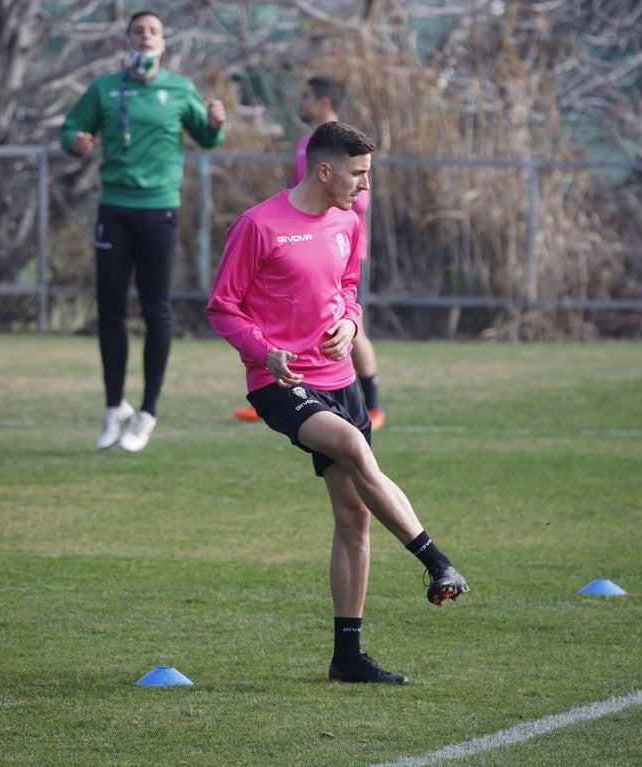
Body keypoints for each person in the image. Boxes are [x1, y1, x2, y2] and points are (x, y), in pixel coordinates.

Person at [207, 122, 469, 684]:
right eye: (358, 174)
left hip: (340, 378)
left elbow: (348, 290)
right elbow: (222, 307)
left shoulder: (347, 223)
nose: (365, 187)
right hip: (279, 384)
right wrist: (265, 351)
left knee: (353, 518)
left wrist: (350, 325)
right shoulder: (258, 225)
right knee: (352, 444)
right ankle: (433, 559)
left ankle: (347, 657)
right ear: (324, 170)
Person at [62, 9, 227, 452]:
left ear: (163, 43)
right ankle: (114, 406)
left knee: (156, 310)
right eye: (138, 32)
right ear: (127, 42)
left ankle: (148, 412)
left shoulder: (178, 88)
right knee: (111, 310)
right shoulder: (105, 88)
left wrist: (214, 122)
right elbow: (72, 128)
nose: (145, 37)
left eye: (153, 31)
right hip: (114, 209)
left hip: (159, 212)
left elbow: (208, 139)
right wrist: (76, 140)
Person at [234, 76, 386, 430]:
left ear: (323, 100)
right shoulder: (306, 143)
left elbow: (357, 199)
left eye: (307, 96)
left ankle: (371, 404)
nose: (301, 102)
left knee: (350, 327)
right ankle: (285, 390)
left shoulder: (349, 151)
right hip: (297, 246)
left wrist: (327, 224)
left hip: (337, 250)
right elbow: (299, 191)